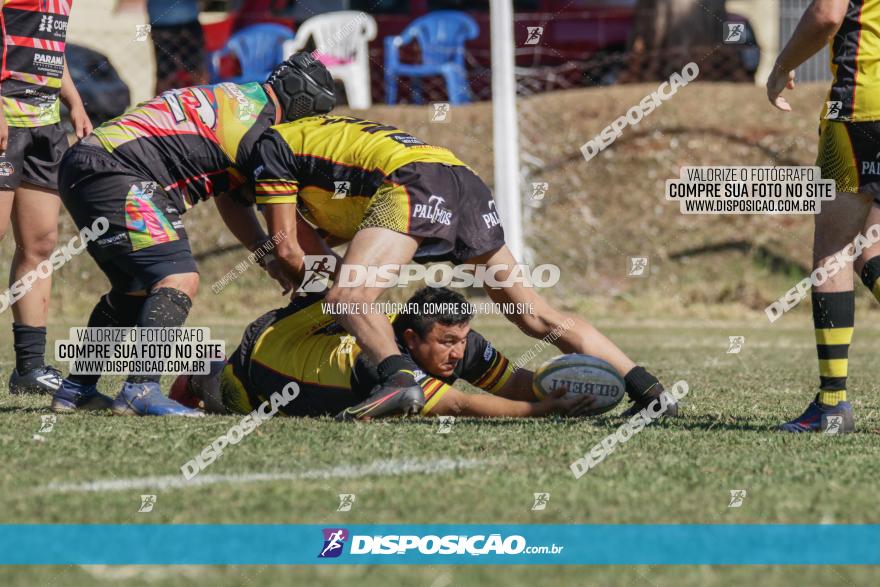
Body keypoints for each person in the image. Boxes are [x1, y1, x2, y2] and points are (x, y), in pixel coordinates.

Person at [243, 114, 675, 420]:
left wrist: (297, 277)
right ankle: (648, 388)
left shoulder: (270, 148)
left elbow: (285, 248)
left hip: (413, 181)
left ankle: (398, 379)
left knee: (348, 298)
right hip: (462, 178)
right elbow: (340, 234)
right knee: (537, 315)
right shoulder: (325, 140)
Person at [50, 53, 335, 416]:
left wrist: (264, 255)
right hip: (119, 171)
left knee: (134, 288)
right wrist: (310, 281)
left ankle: (77, 389)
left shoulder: (242, 98)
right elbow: (283, 228)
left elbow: (231, 198)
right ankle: (140, 389)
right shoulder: (262, 134)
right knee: (178, 278)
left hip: (88, 164)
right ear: (304, 104)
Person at [169, 287, 596, 420]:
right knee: (229, 396)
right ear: (410, 340)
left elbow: (514, 383)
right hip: (264, 358)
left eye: (462, 339)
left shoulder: (459, 341)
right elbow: (461, 403)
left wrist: (553, 390)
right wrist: (542, 412)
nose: (458, 352)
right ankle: (197, 374)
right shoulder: (378, 360)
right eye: (448, 343)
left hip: (321, 331)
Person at [767, 0, 860, 433]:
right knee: (871, 247)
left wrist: (782, 65)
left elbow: (826, 13)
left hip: (860, 110)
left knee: (834, 250)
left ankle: (833, 405)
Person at [1, 0, 92, 395]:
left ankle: (30, 368)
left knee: (40, 244)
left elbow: (51, 47)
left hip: (45, 125)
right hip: (5, 118)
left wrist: (74, 101)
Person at [146, 0, 207, 94]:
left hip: (162, 19)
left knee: (165, 77)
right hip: (181, 19)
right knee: (196, 74)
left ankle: (160, 106)